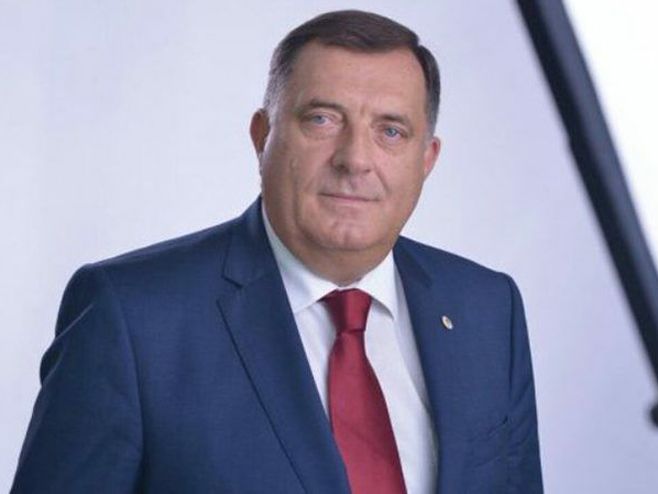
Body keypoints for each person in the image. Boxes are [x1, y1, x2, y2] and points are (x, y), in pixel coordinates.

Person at [12, 10, 543, 494]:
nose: (355, 159)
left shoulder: (487, 310)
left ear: (426, 159)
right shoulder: (133, 318)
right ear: (261, 135)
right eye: (322, 119)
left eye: (390, 131)